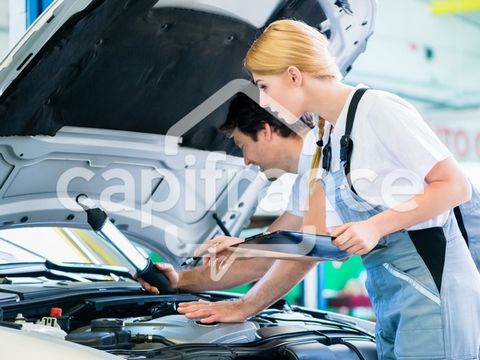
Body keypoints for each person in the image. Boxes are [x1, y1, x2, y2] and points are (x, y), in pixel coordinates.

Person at [175, 20, 480, 359]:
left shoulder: (377, 109)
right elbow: (313, 239)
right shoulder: (327, 135)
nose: (263, 98)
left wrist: (374, 226)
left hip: (432, 284)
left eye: (263, 85)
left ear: (294, 75)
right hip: (390, 291)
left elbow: (454, 186)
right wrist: (246, 248)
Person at [140, 92, 328, 299]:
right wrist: (179, 279)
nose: (246, 160)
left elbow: (313, 249)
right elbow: (262, 261)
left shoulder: (329, 160)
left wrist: (242, 307)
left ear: (265, 131)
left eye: (243, 146)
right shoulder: (306, 182)